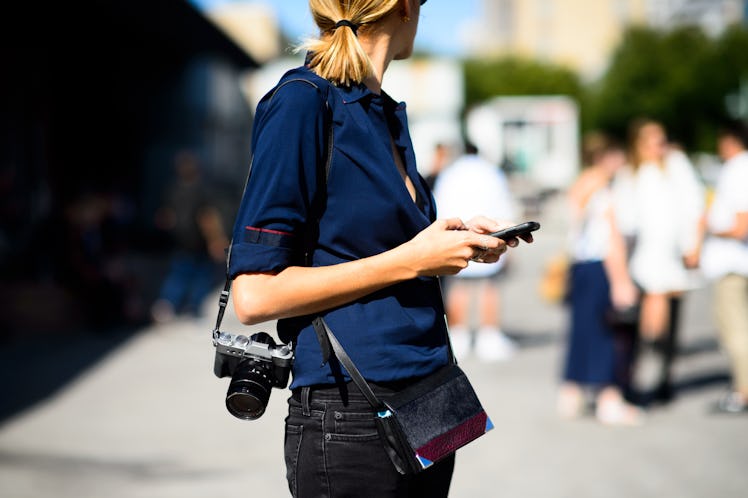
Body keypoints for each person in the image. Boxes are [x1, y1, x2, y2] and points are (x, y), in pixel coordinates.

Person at [227, 2, 532, 497]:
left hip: (431, 395)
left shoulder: (382, 110)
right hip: (350, 412)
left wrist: (450, 241)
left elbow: (377, 246)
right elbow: (254, 296)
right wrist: (411, 259)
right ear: (405, 6)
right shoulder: (302, 102)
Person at [612, 119, 705, 404]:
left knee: (671, 316)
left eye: (661, 140)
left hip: (673, 253)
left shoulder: (676, 166)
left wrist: (694, 244)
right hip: (644, 255)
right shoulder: (630, 174)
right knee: (643, 316)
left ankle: (663, 376)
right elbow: (623, 219)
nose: (658, 146)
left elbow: (696, 206)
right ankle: (637, 377)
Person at [556, 133, 643, 425]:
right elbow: (612, 239)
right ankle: (610, 398)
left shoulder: (580, 185)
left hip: (581, 267)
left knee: (582, 331)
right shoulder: (604, 189)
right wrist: (622, 281)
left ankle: (572, 393)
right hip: (602, 268)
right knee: (611, 334)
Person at [432, 141, 518, 361]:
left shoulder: (450, 172)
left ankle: (458, 333)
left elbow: (439, 204)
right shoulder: (491, 172)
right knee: (489, 286)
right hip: (488, 234)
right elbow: (503, 203)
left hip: (457, 233)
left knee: (458, 286)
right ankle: (488, 335)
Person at [700, 119, 748, 414]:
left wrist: (710, 225)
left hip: (733, 264)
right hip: (739, 263)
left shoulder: (738, 169)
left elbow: (741, 225)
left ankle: (743, 391)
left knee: (735, 330)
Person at [151, 150, 228, 322]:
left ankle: (169, 304)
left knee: (179, 274)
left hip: (181, 240)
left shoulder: (173, 188)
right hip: (196, 241)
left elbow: (166, 215)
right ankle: (192, 308)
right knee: (199, 276)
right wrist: (215, 239)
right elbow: (207, 217)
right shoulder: (201, 189)